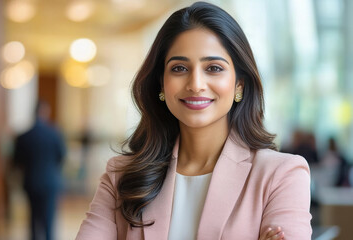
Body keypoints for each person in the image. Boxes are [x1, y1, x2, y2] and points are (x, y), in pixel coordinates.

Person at [76, 2, 312, 239]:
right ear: (161, 83)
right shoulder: (121, 177)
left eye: (213, 68)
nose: (196, 84)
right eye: (179, 68)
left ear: (239, 84)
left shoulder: (281, 175)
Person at [13, 100, 66, 240]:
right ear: (45, 112)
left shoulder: (24, 136)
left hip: (31, 182)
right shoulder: (54, 134)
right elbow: (61, 157)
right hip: (49, 182)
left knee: (32, 219)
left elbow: (17, 161)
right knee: (49, 220)